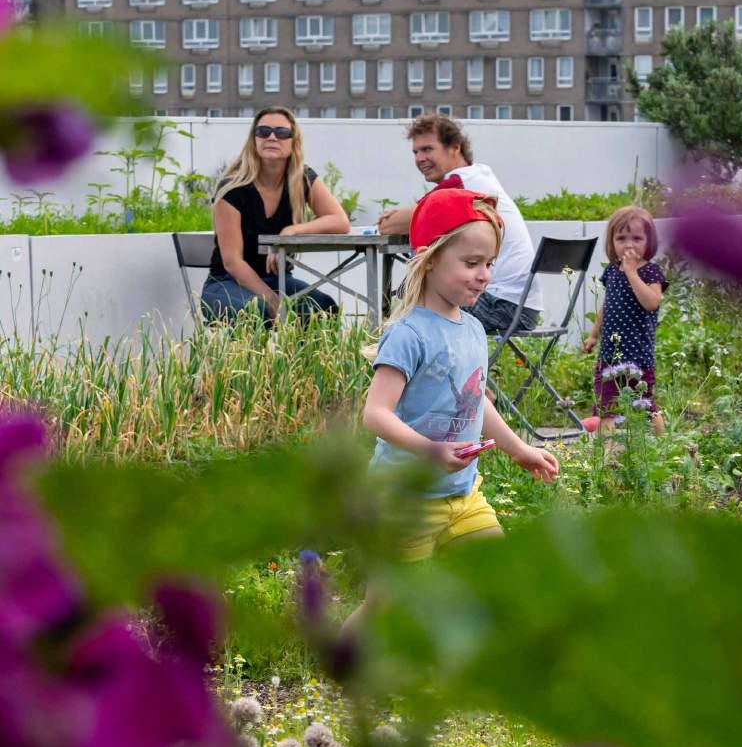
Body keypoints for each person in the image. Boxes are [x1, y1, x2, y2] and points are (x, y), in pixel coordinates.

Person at [360, 186, 557, 573]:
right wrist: (430, 451)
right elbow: (375, 414)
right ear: (429, 259)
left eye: (489, 263)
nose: (484, 275)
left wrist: (519, 449)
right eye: (471, 262)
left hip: (464, 496)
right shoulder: (409, 334)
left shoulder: (472, 328)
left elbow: (475, 400)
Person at [377, 114, 542, 333]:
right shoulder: (478, 176)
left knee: (416, 301)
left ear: (455, 148)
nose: (419, 159)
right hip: (519, 305)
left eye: (427, 149)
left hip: (500, 305)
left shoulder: (460, 182)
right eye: (415, 152)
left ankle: (396, 356)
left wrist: (396, 216)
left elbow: (393, 225)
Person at [201, 107, 350, 325]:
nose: (272, 137)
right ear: (254, 140)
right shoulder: (232, 189)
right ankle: (252, 361)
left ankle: (301, 360)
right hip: (226, 283)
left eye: (281, 132)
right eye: (263, 131)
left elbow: (340, 221)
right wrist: (272, 300)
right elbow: (233, 263)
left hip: (278, 280)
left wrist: (290, 232)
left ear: (293, 141)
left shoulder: (302, 179)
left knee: (322, 308)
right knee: (256, 310)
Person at [582, 205, 668, 434]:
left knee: (646, 404)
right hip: (610, 355)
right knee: (606, 406)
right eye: (621, 238)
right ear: (612, 243)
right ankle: (607, 456)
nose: (629, 244)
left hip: (638, 356)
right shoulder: (612, 271)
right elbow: (607, 306)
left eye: (637, 238)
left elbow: (651, 302)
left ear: (649, 242)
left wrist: (631, 272)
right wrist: (593, 334)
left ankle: (662, 446)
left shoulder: (651, 272)